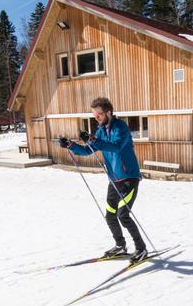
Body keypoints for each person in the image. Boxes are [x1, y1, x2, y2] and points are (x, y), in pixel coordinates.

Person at [58, 97, 147, 263]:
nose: (96, 118)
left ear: (108, 112)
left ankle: (141, 249)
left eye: (99, 114)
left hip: (129, 178)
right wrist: (70, 145)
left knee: (123, 215)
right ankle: (120, 246)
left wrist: (94, 140)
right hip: (114, 180)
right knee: (110, 215)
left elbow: (115, 146)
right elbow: (87, 151)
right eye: (94, 115)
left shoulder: (121, 127)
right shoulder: (99, 132)